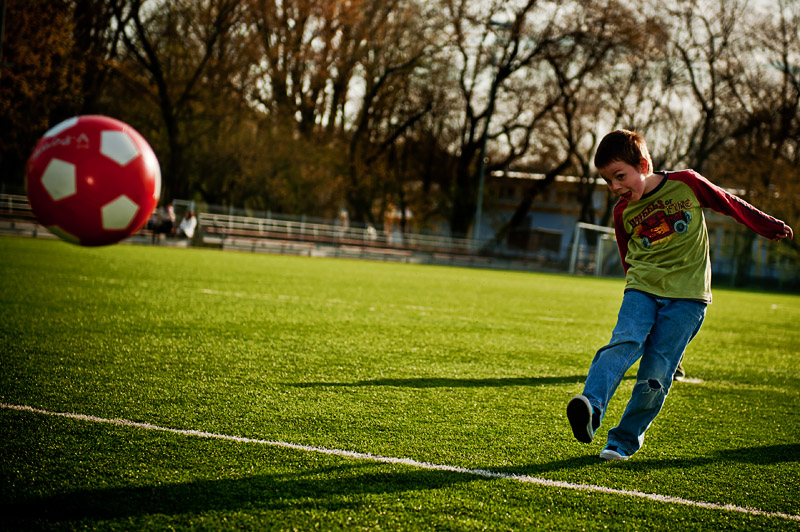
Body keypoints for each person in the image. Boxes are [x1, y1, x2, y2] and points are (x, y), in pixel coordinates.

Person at [567, 129, 793, 461]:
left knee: (657, 372)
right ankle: (592, 407)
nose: (615, 187)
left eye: (619, 176)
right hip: (642, 288)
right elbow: (626, 253)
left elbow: (728, 203)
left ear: (643, 164)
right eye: (608, 182)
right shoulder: (621, 212)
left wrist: (766, 224)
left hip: (688, 296)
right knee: (624, 340)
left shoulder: (686, 183)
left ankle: (623, 440)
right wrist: (633, 291)